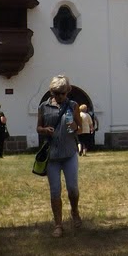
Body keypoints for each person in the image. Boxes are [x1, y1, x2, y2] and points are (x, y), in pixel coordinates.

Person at [35, 74, 83, 237]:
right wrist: (44, 130)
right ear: (51, 92)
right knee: (55, 191)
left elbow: (80, 129)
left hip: (69, 153)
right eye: (57, 93)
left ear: (67, 91)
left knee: (73, 189)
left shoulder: (73, 105)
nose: (60, 96)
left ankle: (74, 211)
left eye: (63, 93)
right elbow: (38, 128)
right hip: (52, 156)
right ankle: (58, 224)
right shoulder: (43, 107)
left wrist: (74, 126)